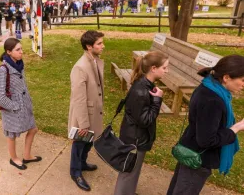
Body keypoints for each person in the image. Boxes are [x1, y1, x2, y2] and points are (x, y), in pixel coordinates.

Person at [167, 55, 244, 195]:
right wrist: (236, 128)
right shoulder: (213, 100)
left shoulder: (208, 86)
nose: (243, 84)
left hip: (189, 150)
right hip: (198, 160)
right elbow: (206, 140)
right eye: (242, 80)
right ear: (226, 77)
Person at [113, 51, 169, 195]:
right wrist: (157, 101)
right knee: (128, 172)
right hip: (135, 140)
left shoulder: (146, 85)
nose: (166, 71)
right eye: (164, 68)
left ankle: (129, 192)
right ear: (154, 68)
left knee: (133, 171)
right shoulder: (141, 91)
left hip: (137, 137)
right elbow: (145, 120)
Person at [0, 38, 41, 170]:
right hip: (12, 109)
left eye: (21, 48)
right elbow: (0, 97)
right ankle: (14, 158)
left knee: (33, 129)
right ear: (8, 52)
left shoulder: (19, 64)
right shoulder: (3, 70)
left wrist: (26, 102)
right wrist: (15, 107)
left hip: (24, 105)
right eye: (18, 49)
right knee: (12, 135)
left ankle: (27, 156)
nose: (22, 52)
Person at [68, 31, 105, 191]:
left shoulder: (95, 60)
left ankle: (82, 163)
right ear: (89, 47)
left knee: (89, 142)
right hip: (84, 115)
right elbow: (79, 99)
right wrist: (83, 124)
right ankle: (75, 172)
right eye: (99, 44)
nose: (103, 46)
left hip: (93, 112)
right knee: (79, 144)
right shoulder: (80, 67)